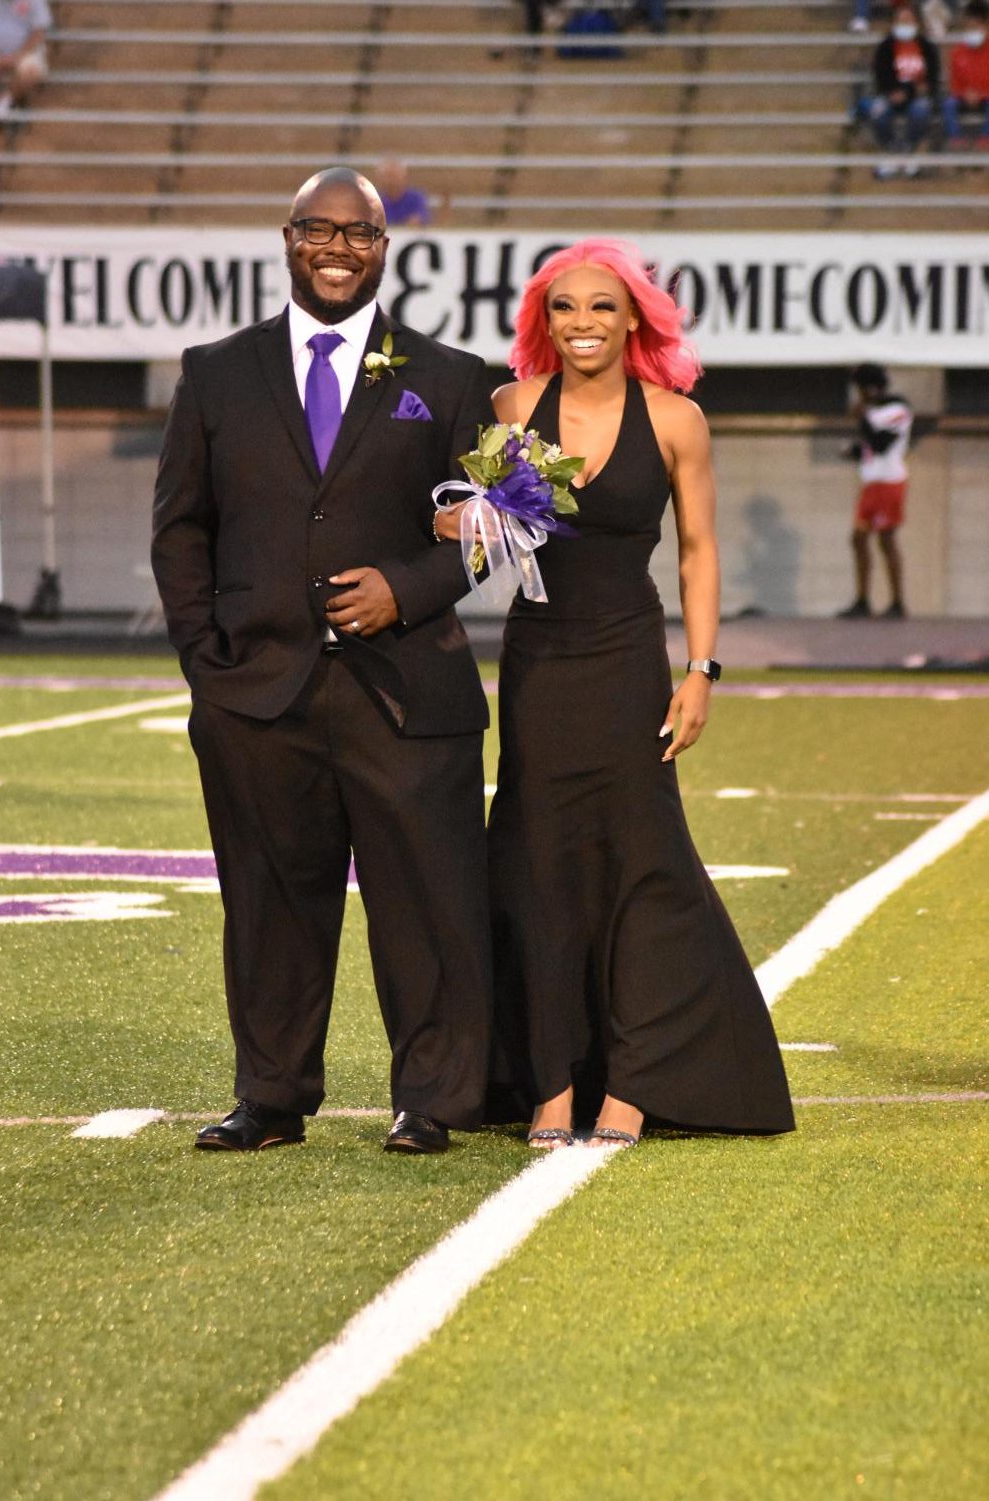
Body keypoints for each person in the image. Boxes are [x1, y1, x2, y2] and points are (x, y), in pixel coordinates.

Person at [151, 167, 494, 1156]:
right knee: (267, 902)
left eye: (361, 234)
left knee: (425, 903)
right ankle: (271, 1096)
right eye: (320, 230)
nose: (339, 249)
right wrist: (207, 666)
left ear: (385, 250)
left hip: (407, 689)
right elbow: (181, 529)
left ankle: (430, 1098)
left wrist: (409, 588)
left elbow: (489, 530)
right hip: (257, 696)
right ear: (288, 238)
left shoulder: (451, 376)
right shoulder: (216, 370)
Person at [437, 240, 795, 1149]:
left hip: (631, 657)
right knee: (537, 867)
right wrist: (461, 516)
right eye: (564, 308)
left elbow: (699, 551)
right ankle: (550, 1082)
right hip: (538, 662)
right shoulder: (510, 409)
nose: (583, 323)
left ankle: (634, 1081)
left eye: (602, 306)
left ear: (636, 316)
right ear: (541, 323)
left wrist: (702, 671)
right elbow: (467, 535)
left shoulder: (677, 419)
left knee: (645, 864)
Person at [837, 362, 912, 620]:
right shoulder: (873, 412)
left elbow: (881, 444)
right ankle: (862, 599)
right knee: (858, 539)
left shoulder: (897, 409)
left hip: (889, 482)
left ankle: (897, 602)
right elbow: (869, 446)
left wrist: (862, 417)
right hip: (871, 482)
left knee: (886, 540)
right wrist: (853, 451)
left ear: (869, 388)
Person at [867, 4, 940, 176]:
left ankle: (907, 149)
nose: (905, 24)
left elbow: (930, 81)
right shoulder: (885, 47)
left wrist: (907, 93)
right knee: (877, 110)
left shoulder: (927, 47)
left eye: (908, 20)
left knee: (920, 110)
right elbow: (881, 76)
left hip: (917, 98)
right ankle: (894, 148)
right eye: (901, 20)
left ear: (916, 22)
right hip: (890, 95)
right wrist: (892, 92)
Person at [0, 0, 51, 118]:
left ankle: (6, 103)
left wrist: (17, 57)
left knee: (30, 72)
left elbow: (39, 33)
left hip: (28, 54)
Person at [942, 1, 989, 147]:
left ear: (985, 27)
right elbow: (954, 82)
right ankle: (956, 140)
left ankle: (985, 139)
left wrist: (981, 94)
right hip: (963, 97)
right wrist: (964, 93)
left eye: (975, 27)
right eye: (969, 28)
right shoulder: (957, 52)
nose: (972, 32)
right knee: (948, 104)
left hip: (986, 97)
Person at [374, 158, 432, 228]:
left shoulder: (416, 198)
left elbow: (420, 219)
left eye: (394, 176)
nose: (391, 180)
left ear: (404, 176)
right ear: (380, 178)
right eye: (387, 176)